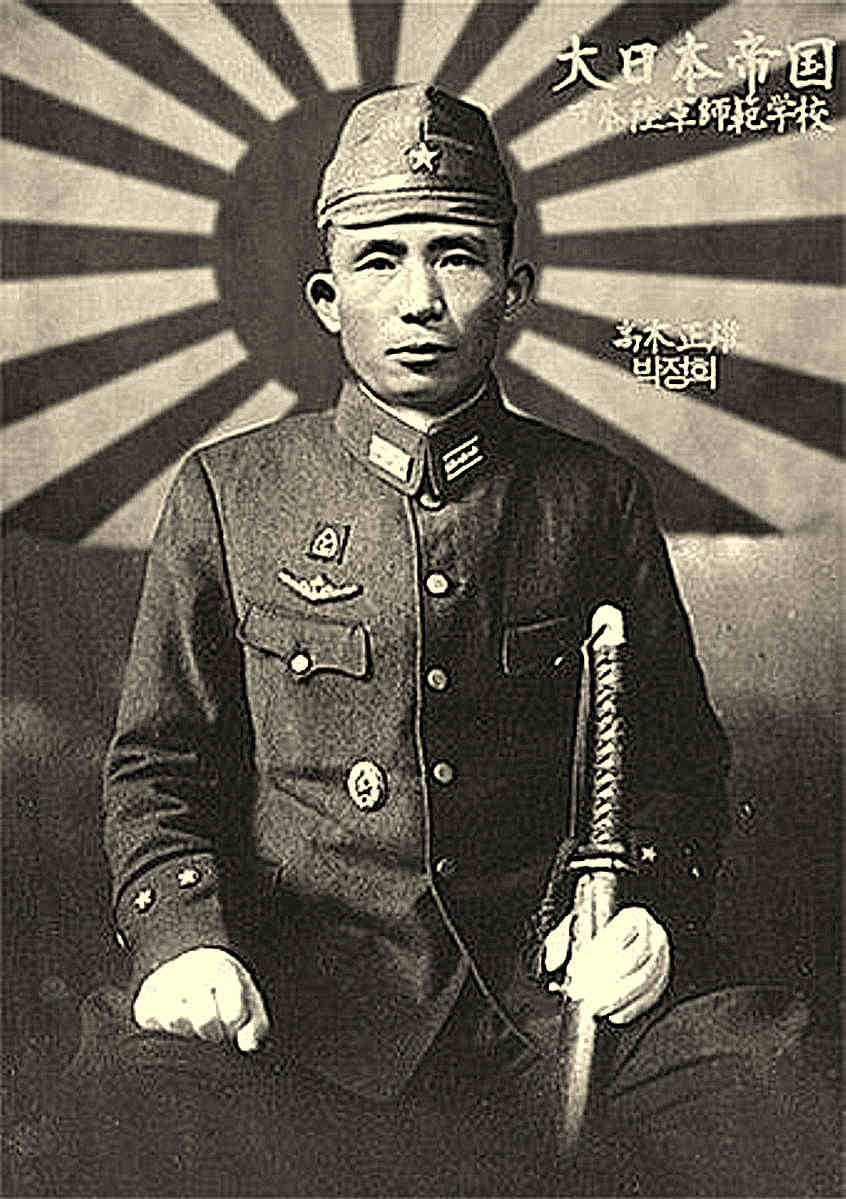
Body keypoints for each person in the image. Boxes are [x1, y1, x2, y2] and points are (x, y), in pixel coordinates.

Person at [65, 85, 834, 1197]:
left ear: (514, 288)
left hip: (548, 1006)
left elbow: (675, 762)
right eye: (380, 261)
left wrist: (651, 913)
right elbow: (158, 763)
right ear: (328, 296)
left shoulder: (595, 496)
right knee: (128, 1113)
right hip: (302, 1002)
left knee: (774, 1084)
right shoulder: (231, 494)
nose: (419, 297)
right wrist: (186, 939)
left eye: (458, 257)